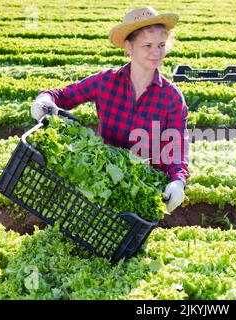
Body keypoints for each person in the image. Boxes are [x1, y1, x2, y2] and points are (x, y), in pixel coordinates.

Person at [30, 7, 190, 213]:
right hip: (102, 179)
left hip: (141, 189)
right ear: (129, 47)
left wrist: (178, 181)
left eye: (161, 45)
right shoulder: (106, 81)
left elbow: (176, 148)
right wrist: (44, 99)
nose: (156, 52)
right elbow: (63, 96)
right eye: (147, 45)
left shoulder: (172, 98)